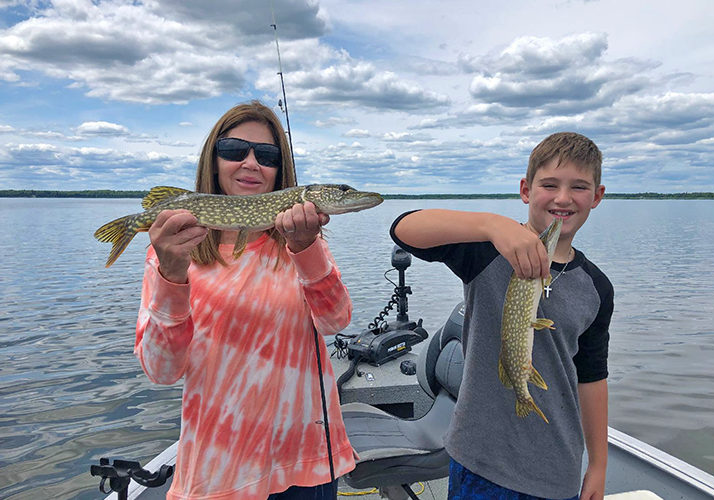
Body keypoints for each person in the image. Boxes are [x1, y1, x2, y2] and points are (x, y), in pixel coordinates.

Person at [135, 100, 356, 500]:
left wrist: (305, 247)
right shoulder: (173, 252)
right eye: (235, 150)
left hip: (305, 461)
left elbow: (336, 321)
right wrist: (171, 274)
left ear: (281, 171)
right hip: (220, 470)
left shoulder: (302, 242)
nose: (252, 163)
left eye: (267, 155)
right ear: (214, 160)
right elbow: (162, 371)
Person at [390, 132, 613, 500]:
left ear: (597, 196)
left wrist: (599, 465)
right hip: (481, 460)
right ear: (525, 190)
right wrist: (492, 226)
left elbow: (591, 377)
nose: (562, 198)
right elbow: (403, 229)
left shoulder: (596, 287)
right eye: (549, 184)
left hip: (558, 471)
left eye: (578, 187)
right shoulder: (487, 254)